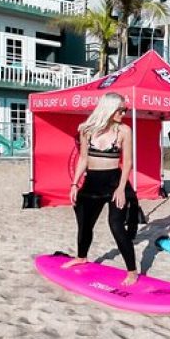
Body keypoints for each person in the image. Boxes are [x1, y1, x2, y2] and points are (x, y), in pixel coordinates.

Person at [64, 92, 138, 286]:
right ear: (109, 108)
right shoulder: (87, 130)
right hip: (91, 184)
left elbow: (128, 162)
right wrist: (74, 183)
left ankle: (132, 271)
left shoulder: (124, 131)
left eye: (125, 109)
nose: (123, 112)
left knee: (116, 226)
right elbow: (83, 159)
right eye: (120, 109)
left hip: (114, 183)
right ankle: (81, 257)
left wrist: (122, 188)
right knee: (84, 224)